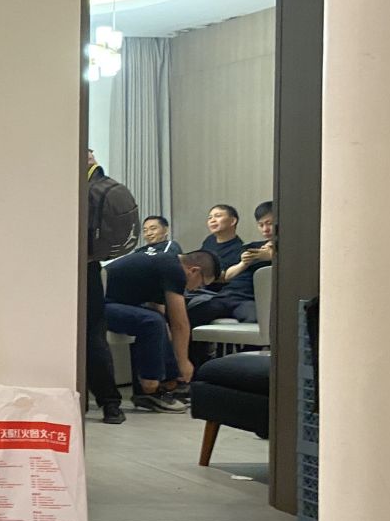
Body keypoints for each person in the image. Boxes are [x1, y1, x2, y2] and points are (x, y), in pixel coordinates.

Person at [104, 250, 219, 411]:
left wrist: (167, 336)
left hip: (112, 303)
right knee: (152, 322)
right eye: (201, 284)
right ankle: (149, 389)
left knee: (159, 323)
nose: (196, 289)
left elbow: (160, 310)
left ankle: (169, 383)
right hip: (98, 305)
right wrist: (183, 362)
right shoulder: (175, 270)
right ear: (194, 271)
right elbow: (180, 324)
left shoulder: (167, 262)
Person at [187, 201, 275, 359]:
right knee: (193, 314)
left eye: (269, 223)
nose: (265, 229)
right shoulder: (251, 247)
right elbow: (227, 276)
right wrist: (243, 263)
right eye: (261, 225)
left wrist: (272, 256)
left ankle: (244, 362)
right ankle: (196, 363)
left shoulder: (288, 248)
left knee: (257, 320)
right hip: (227, 295)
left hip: (248, 300)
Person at [84, 152, 126, 424]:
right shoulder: (99, 185)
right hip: (89, 265)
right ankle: (110, 404)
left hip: (62, 267)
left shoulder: (70, 185)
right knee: (94, 337)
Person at [197, 204, 245, 283]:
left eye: (218, 216)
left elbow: (223, 276)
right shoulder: (210, 240)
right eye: (210, 218)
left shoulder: (239, 249)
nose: (212, 220)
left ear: (233, 221)